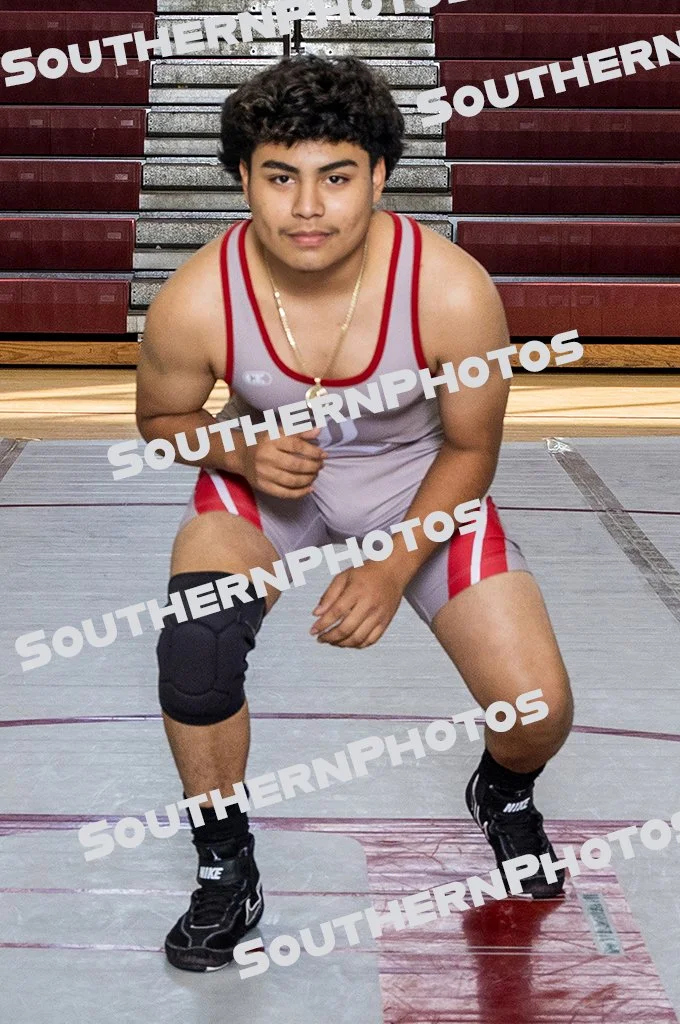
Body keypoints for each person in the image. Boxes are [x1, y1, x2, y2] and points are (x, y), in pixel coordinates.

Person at [136, 54, 573, 973]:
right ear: (243, 179)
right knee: (196, 650)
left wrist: (387, 565)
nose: (307, 208)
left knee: (538, 711)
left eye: (335, 178)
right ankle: (225, 868)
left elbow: (470, 451)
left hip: (420, 476)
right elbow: (162, 422)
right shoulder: (197, 296)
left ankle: (504, 794)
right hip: (268, 474)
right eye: (279, 177)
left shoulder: (450, 288)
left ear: (378, 177)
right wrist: (237, 450)